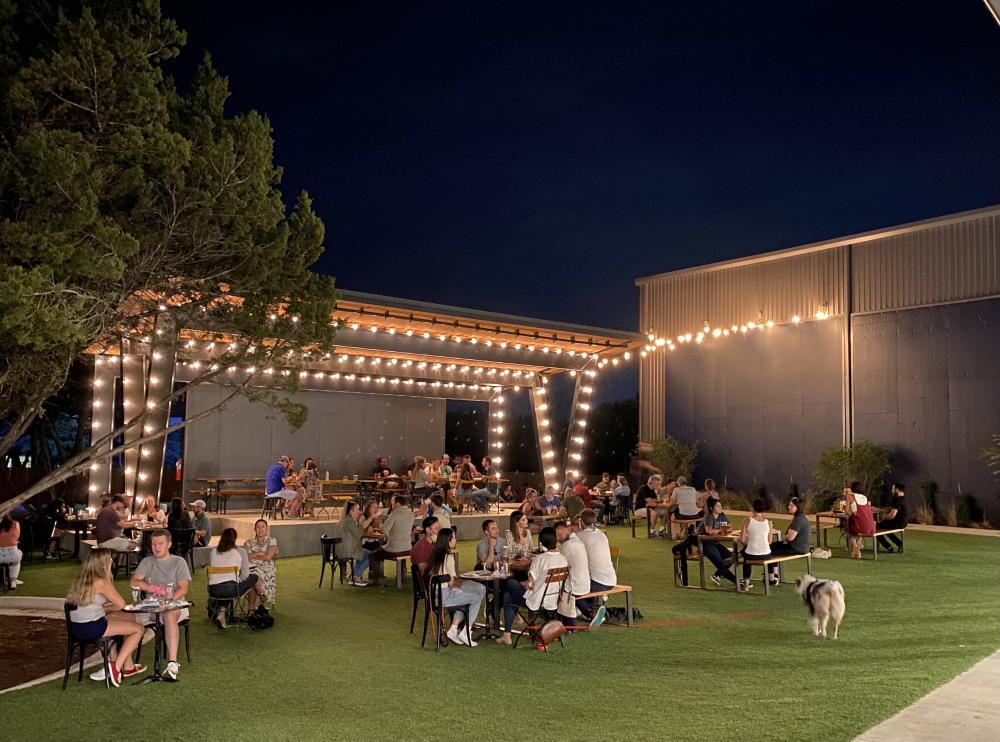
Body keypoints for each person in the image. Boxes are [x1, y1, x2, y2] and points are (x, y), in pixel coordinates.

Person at [68, 548, 146, 686]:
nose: (112, 561)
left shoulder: (82, 579)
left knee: (128, 619)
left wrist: (106, 607)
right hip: (92, 626)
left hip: (77, 627)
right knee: (138, 629)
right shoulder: (102, 582)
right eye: (110, 559)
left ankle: (128, 667)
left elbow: (87, 604)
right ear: (103, 563)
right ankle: (115, 667)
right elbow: (121, 604)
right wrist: (110, 606)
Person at [130, 530, 191, 681]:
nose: (156, 547)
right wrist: (154, 589)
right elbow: (134, 582)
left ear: (169, 544)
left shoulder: (179, 562)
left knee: (168, 614)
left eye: (160, 543)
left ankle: (172, 663)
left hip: (175, 604)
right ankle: (121, 664)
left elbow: (183, 589)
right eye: (153, 544)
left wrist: (167, 601)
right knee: (122, 616)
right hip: (151, 605)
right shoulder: (147, 562)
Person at [496, 526, 568, 645]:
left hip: (537, 600)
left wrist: (524, 584)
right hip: (553, 599)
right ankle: (507, 633)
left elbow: (529, 583)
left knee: (509, 584)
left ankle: (506, 634)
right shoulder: (563, 559)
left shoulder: (540, 559)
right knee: (508, 595)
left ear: (541, 542)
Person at [427, 528, 486, 647]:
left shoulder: (434, 555)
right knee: (475, 598)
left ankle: (454, 628)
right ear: (448, 541)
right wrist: (461, 580)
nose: (456, 540)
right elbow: (451, 582)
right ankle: (466, 631)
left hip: (434, 596)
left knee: (466, 595)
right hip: (445, 596)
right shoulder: (448, 557)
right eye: (454, 538)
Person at [207, 527, 258, 629]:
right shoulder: (241, 551)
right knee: (254, 577)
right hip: (230, 589)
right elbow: (244, 576)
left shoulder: (213, 551)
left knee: (226, 585)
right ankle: (260, 598)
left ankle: (222, 614)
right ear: (234, 538)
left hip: (213, 590)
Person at [577, 508, 616, 623]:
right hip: (611, 579)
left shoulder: (580, 537)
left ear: (581, 522)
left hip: (597, 582)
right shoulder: (601, 534)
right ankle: (594, 608)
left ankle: (591, 613)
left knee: (572, 591)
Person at [368, 495, 415, 586]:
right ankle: (402, 574)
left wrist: (379, 522)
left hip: (394, 548)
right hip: (407, 547)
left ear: (397, 503)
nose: (392, 506)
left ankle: (378, 578)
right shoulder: (411, 513)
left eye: (393, 504)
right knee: (395, 550)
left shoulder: (395, 513)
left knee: (373, 555)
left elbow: (384, 530)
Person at [555, 519, 590, 625]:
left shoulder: (567, 545)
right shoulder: (578, 542)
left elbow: (558, 565)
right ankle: (589, 612)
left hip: (573, 587)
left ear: (565, 529)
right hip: (585, 583)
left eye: (558, 533)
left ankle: (590, 613)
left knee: (553, 586)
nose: (557, 537)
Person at [766, 497, 811, 576]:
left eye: (792, 506)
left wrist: (786, 536)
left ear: (798, 508)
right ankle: (775, 573)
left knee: (769, 550)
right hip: (801, 547)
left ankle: (772, 576)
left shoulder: (798, 520)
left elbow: (790, 537)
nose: (789, 507)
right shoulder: (801, 517)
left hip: (796, 548)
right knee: (773, 546)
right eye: (789, 505)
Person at [698, 497, 737, 586]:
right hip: (705, 543)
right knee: (719, 562)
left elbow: (730, 526)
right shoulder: (708, 516)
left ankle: (717, 575)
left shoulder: (721, 515)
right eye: (718, 506)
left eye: (720, 505)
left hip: (715, 542)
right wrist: (721, 529)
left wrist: (723, 529)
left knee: (730, 557)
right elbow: (709, 531)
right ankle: (737, 581)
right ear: (712, 508)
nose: (720, 507)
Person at [739, 499, 773, 591]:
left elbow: (742, 539)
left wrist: (749, 542)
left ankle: (746, 582)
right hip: (766, 555)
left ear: (753, 508)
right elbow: (769, 542)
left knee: (746, 555)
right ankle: (772, 577)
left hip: (752, 555)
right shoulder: (769, 523)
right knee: (747, 552)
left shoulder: (747, 520)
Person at [244, 519, 278, 610]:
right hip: (250, 567)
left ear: (266, 529)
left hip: (267, 569)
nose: (260, 529)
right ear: (255, 529)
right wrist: (261, 553)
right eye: (258, 526)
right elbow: (246, 557)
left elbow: (268, 557)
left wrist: (254, 555)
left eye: (263, 526)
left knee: (252, 577)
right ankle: (261, 595)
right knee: (251, 575)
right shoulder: (248, 542)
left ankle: (251, 609)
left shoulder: (272, 540)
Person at [338, 502, 369, 586]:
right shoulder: (349, 521)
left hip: (346, 549)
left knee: (367, 554)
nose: (359, 512)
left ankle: (353, 575)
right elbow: (359, 534)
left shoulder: (347, 520)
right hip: (347, 550)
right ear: (351, 511)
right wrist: (360, 523)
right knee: (371, 555)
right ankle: (356, 577)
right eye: (357, 510)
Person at [845, 485, 875, 559]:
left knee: (849, 530)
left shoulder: (850, 496)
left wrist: (851, 513)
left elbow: (846, 511)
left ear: (852, 489)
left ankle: (855, 547)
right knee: (855, 525)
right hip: (871, 527)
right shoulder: (864, 497)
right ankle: (858, 544)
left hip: (860, 527)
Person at [877, 483, 908, 552]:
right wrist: (879, 510)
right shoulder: (902, 499)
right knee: (883, 528)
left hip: (898, 523)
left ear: (897, 490)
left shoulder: (898, 500)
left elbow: (892, 515)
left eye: (893, 489)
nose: (892, 491)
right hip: (902, 522)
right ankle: (898, 543)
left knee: (875, 527)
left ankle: (888, 546)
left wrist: (883, 517)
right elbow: (891, 509)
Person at [0, 515, 24, 589]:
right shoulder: (16, 524)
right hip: (13, 555)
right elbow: (16, 537)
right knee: (17, 559)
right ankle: (13, 581)